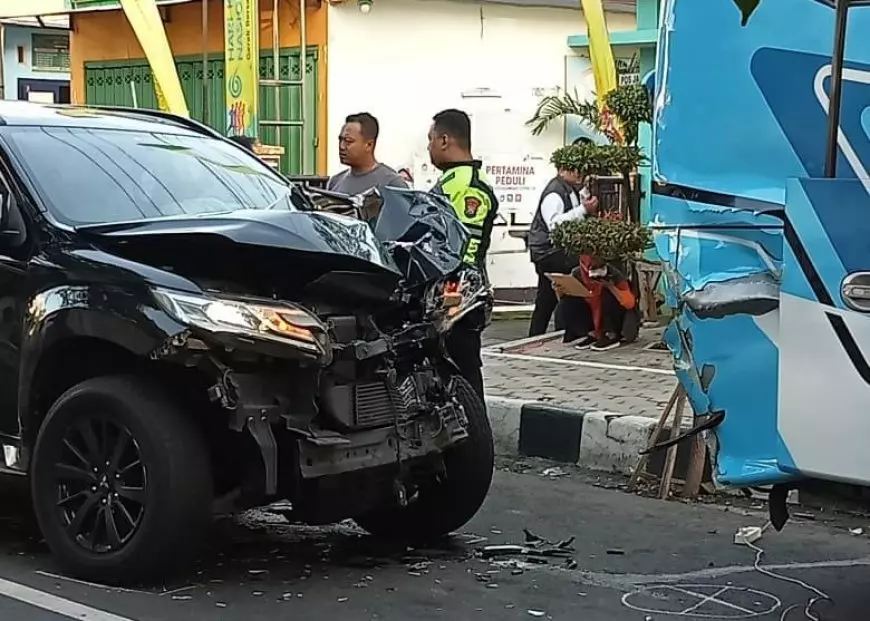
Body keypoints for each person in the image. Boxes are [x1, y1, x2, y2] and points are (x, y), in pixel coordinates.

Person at [427, 108, 498, 399]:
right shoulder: (451, 181)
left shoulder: (468, 186)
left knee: (464, 376)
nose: (428, 147)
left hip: (459, 301)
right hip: (443, 298)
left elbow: (464, 250)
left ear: (445, 140)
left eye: (430, 140)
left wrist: (451, 298)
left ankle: (477, 443)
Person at [527, 165, 599, 337]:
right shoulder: (554, 193)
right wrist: (583, 210)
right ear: (561, 170)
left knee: (548, 297)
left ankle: (541, 334)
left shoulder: (570, 189)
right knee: (570, 282)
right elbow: (555, 224)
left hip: (554, 250)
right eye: (573, 169)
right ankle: (567, 330)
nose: (578, 172)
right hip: (549, 251)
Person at [554, 257, 640, 351]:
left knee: (608, 294)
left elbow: (629, 303)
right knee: (567, 301)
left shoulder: (613, 273)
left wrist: (610, 286)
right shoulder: (577, 273)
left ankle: (611, 334)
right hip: (592, 311)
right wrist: (559, 289)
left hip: (614, 313)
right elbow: (564, 301)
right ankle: (592, 333)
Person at [328, 113, 408, 194]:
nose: (342, 146)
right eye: (340, 140)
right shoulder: (335, 182)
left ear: (369, 145)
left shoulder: (392, 184)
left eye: (348, 141)